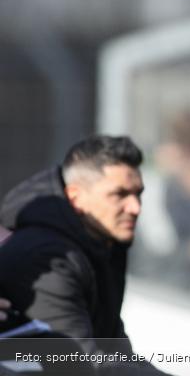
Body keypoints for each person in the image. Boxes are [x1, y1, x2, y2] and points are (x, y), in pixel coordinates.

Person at [0, 135, 171, 375]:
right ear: (76, 197)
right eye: (119, 195)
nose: (135, 207)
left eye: (138, 194)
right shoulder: (44, 255)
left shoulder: (102, 240)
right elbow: (77, 364)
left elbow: (113, 346)